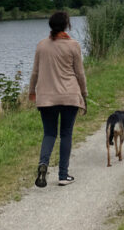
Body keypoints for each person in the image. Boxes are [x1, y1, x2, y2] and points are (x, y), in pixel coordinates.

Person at [28, 11, 88, 188]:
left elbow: (35, 73)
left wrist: (32, 92)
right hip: (69, 96)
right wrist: (84, 95)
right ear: (67, 25)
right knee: (66, 134)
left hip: (46, 98)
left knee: (49, 134)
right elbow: (80, 74)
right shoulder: (73, 45)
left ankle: (43, 164)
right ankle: (63, 175)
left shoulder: (41, 46)